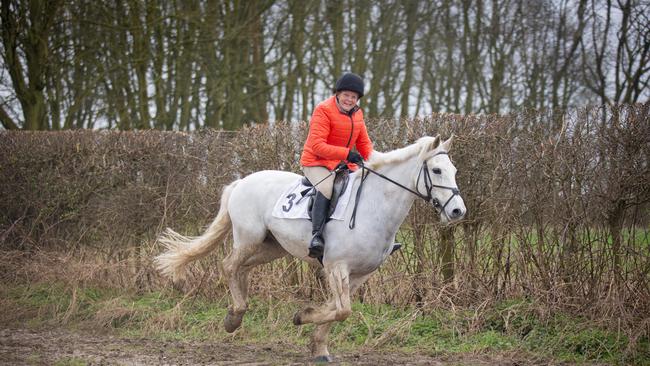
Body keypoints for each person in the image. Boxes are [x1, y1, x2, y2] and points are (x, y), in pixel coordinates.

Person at [300, 73, 373, 258]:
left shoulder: (358, 113)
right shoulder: (323, 110)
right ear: (338, 94)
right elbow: (317, 145)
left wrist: (376, 162)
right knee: (327, 187)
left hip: (342, 163)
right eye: (346, 95)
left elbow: (364, 144)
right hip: (316, 161)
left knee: (366, 185)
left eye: (354, 97)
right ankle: (316, 237)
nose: (350, 99)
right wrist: (347, 154)